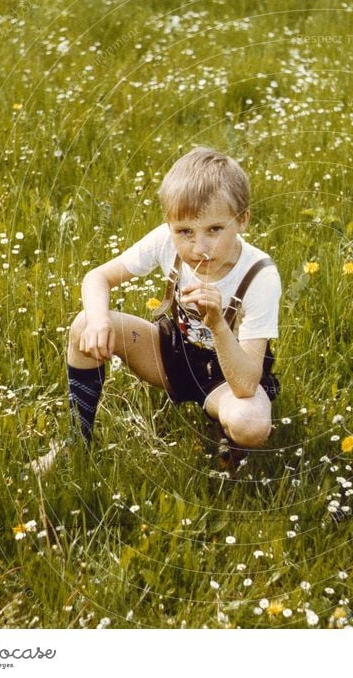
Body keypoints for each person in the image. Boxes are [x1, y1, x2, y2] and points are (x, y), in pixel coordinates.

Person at [63, 146, 281, 473]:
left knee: (250, 422)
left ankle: (227, 442)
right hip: (171, 355)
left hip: (227, 377)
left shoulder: (259, 275)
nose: (199, 247)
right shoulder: (166, 241)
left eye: (215, 229)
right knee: (83, 326)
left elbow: (247, 383)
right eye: (185, 232)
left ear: (243, 220)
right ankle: (76, 442)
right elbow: (98, 277)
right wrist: (97, 320)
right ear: (170, 225)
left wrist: (218, 324)